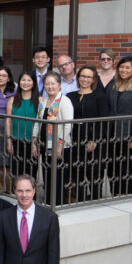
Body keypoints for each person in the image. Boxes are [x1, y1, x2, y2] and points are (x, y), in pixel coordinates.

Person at [105, 54, 132, 197]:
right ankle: (115, 193)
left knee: (126, 167)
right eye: (122, 67)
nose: (124, 70)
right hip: (110, 132)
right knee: (112, 166)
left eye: (127, 67)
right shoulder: (112, 86)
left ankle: (127, 194)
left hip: (126, 134)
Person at [33, 70, 74, 207]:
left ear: (59, 85)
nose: (50, 86)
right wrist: (34, 142)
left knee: (58, 177)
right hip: (45, 145)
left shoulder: (64, 101)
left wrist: (60, 145)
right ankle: (48, 202)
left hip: (59, 146)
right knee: (47, 175)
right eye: (47, 84)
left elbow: (67, 125)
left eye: (53, 83)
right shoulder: (43, 101)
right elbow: (37, 122)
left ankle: (57, 205)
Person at [69, 65, 109, 201]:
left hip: (92, 140)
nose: (85, 79)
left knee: (94, 173)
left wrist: (95, 140)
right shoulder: (70, 96)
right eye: (82, 76)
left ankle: (95, 199)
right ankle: (79, 199)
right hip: (74, 139)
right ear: (78, 77)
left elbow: (103, 121)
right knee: (77, 172)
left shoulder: (100, 97)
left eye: (88, 77)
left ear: (93, 80)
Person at [6, 70, 39, 178]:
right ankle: (17, 194)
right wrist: (8, 140)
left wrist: (35, 143)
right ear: (19, 82)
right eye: (23, 80)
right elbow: (8, 120)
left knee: (31, 173)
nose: (26, 83)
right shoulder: (12, 99)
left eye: (29, 80)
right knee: (16, 173)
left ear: (33, 82)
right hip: (16, 140)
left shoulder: (39, 100)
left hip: (33, 142)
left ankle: (31, 195)